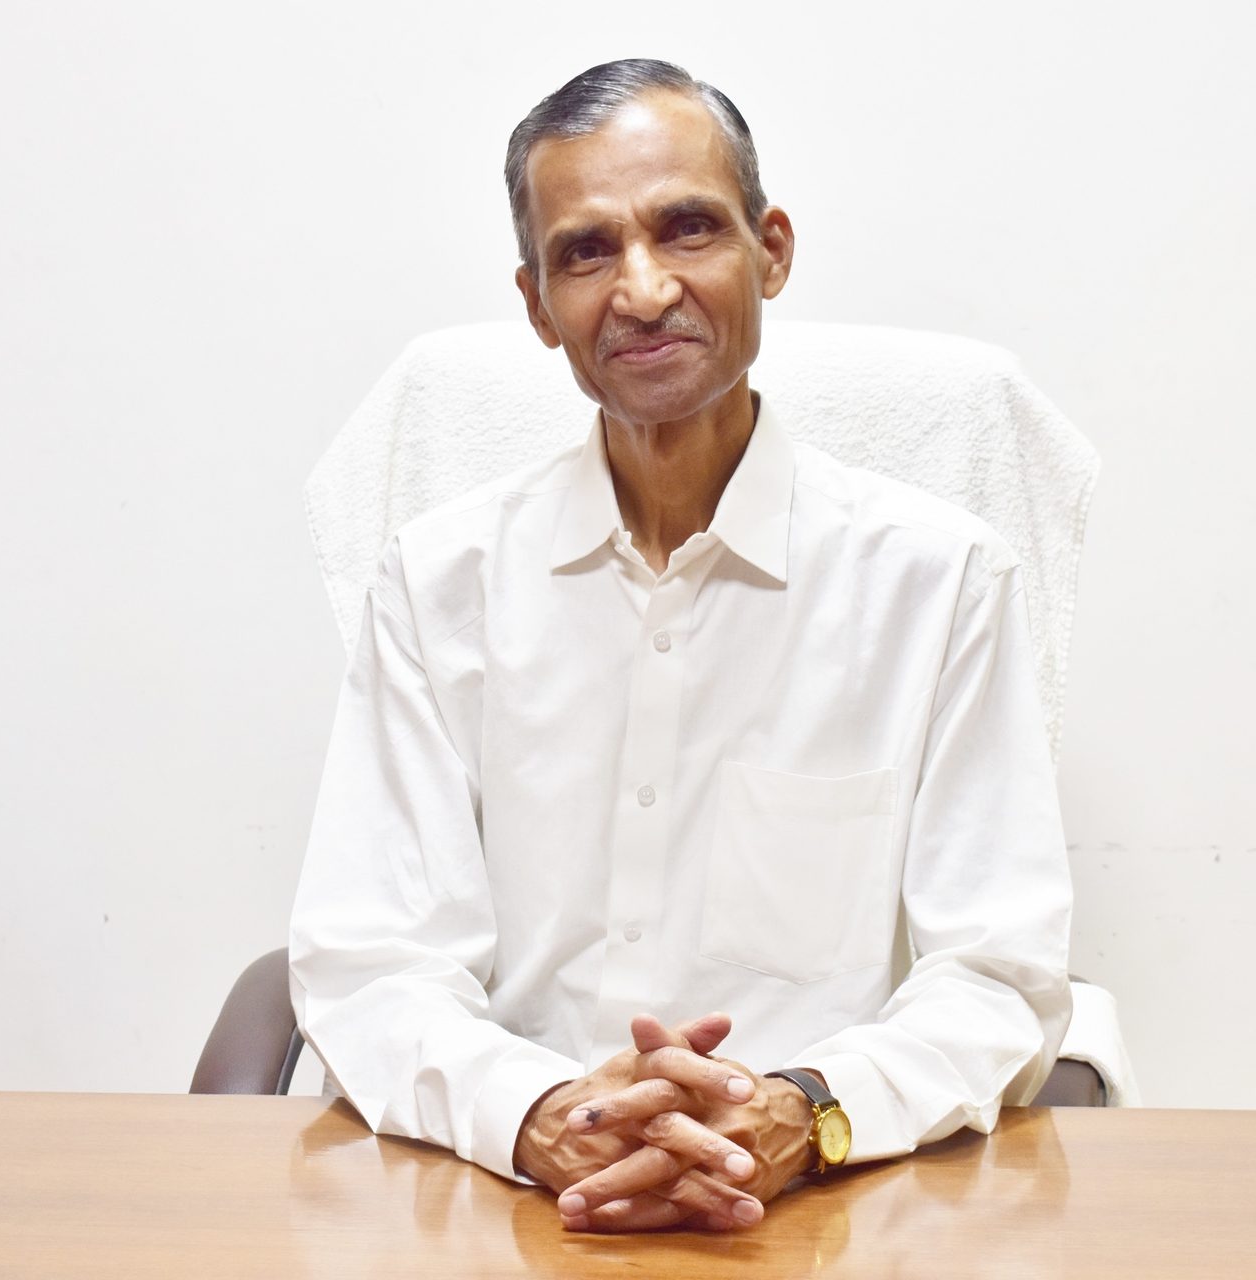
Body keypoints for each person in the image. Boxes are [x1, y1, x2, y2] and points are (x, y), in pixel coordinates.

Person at [288, 57, 1073, 1234]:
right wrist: (546, 1111)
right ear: (536, 302)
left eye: (687, 228)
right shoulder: (441, 582)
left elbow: (998, 970)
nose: (643, 289)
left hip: (820, 1210)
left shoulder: (937, 578)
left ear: (772, 249)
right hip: (511, 1201)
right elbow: (372, 958)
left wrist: (807, 1111)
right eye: (587, 251)